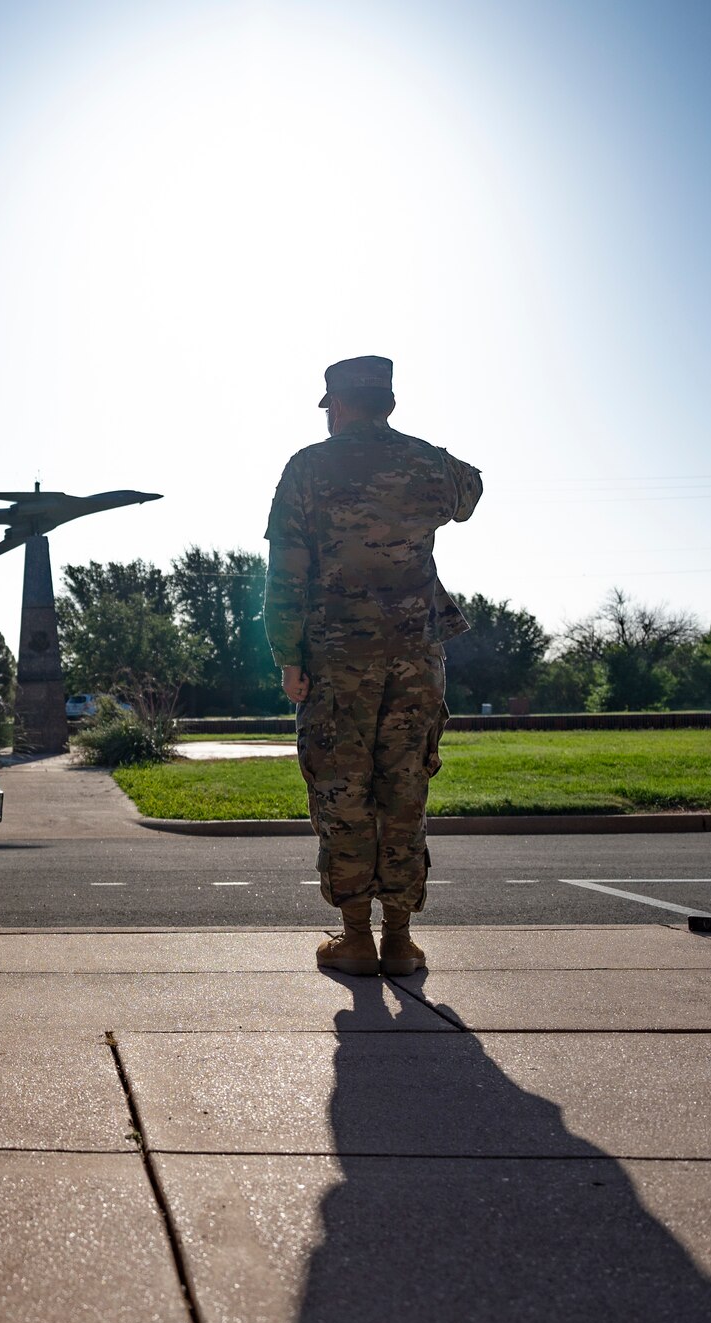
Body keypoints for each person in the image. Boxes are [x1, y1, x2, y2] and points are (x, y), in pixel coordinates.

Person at [263, 356, 482, 976]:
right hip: (416, 658)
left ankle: (356, 938)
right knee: (405, 791)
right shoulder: (428, 464)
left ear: (336, 405)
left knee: (343, 793)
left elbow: (286, 573)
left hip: (336, 662)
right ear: (387, 402)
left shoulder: (308, 468)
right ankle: (401, 940)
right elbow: (472, 491)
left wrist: (288, 657)